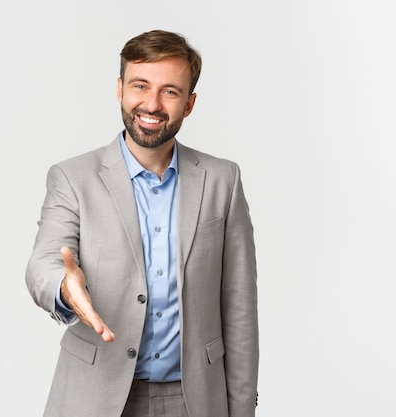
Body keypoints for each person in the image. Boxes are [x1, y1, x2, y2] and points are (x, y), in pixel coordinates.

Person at [26, 29, 258, 417]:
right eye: (140, 85)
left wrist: (242, 409)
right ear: (120, 89)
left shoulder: (223, 180)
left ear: (189, 103)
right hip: (94, 397)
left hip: (197, 400)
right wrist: (65, 289)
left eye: (170, 91)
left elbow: (239, 310)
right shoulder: (72, 177)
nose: (151, 103)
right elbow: (44, 262)